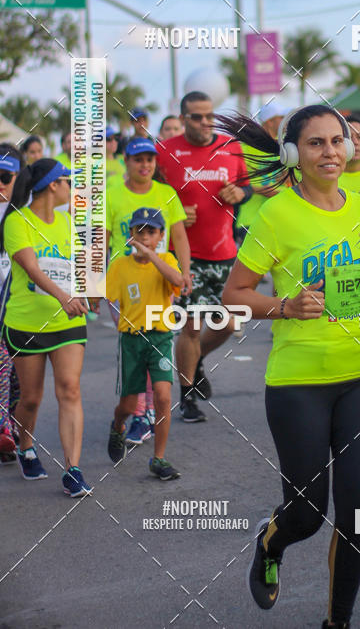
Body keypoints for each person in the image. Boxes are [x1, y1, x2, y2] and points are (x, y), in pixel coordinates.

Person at [219, 104, 360, 629]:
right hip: (298, 383)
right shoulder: (276, 215)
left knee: (357, 513)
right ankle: (271, 540)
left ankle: (338, 621)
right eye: (316, 143)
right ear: (294, 153)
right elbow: (234, 294)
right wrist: (285, 306)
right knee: (307, 514)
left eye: (337, 141)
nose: (330, 152)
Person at [0, 159, 93, 495]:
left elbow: (83, 269)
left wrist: (89, 293)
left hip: (68, 322)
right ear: (54, 185)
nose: (71, 187)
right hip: (27, 323)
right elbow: (31, 267)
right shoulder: (16, 221)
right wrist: (63, 297)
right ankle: (26, 445)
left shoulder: (71, 223)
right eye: (67, 180)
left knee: (69, 388)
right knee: (31, 398)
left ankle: (73, 470)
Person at [156, 91, 250, 423]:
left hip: (225, 252)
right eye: (197, 116)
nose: (205, 122)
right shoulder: (166, 152)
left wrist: (241, 193)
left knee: (229, 322)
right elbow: (150, 197)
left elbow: (247, 186)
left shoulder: (229, 146)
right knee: (192, 326)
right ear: (182, 119)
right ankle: (187, 398)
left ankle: (195, 364)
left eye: (210, 114)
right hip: (186, 255)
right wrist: (173, 214)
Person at [106, 137, 190, 443]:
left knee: (155, 343)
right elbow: (98, 238)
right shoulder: (112, 194)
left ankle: (146, 413)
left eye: (150, 160)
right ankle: (137, 409)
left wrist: (186, 270)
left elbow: (179, 236)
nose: (145, 165)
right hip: (123, 280)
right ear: (126, 162)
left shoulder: (166, 194)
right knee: (134, 342)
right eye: (138, 160)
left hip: (159, 279)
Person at [105, 207, 183, 480]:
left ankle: (158, 458)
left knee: (163, 396)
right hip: (132, 340)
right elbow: (106, 297)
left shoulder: (167, 259)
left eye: (151, 231)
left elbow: (178, 282)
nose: (145, 236)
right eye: (140, 230)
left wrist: (152, 256)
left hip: (160, 336)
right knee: (128, 405)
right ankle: (118, 426)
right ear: (131, 234)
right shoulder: (119, 265)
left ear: (161, 235)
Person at [0, 145, 24, 462]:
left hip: (20, 310)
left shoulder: (26, 216)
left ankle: (12, 428)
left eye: (5, 177)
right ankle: (3, 426)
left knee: (18, 378)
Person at [235, 101, 286, 244]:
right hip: (252, 222)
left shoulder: (284, 148)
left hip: (280, 220)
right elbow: (244, 187)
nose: (285, 121)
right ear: (269, 122)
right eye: (281, 117)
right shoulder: (244, 149)